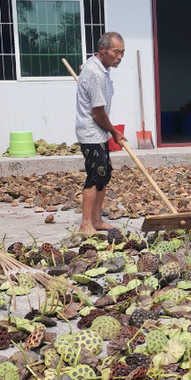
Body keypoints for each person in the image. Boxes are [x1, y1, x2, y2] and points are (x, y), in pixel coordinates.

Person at [74, 31, 126, 234]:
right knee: (95, 176)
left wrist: (84, 69)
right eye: (116, 52)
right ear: (102, 49)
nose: (120, 57)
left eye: (122, 52)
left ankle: (96, 220)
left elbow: (86, 68)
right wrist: (115, 132)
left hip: (99, 133)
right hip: (91, 131)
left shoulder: (99, 66)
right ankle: (85, 224)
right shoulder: (95, 73)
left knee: (104, 175)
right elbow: (97, 113)